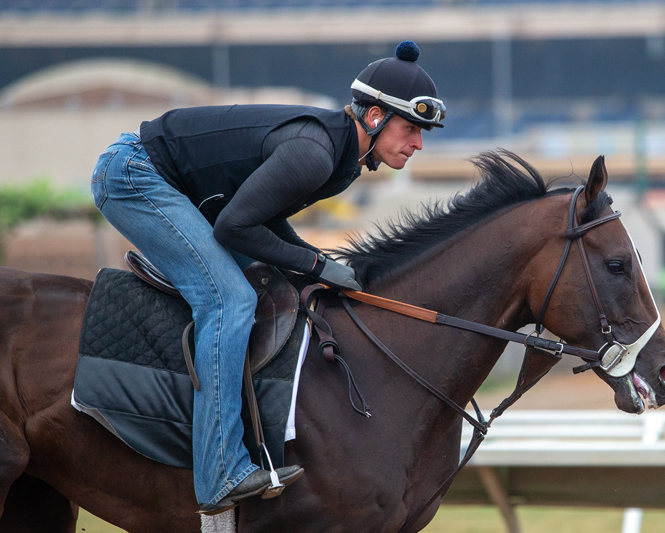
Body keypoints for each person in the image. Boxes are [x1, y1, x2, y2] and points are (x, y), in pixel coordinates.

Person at [89, 40, 445, 514]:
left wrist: (312, 260)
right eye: (411, 128)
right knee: (230, 300)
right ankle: (219, 473)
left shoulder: (343, 161)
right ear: (376, 117)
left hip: (177, 188)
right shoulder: (317, 153)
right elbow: (234, 226)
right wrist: (316, 266)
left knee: (269, 284)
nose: (419, 143)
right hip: (135, 175)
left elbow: (262, 216)